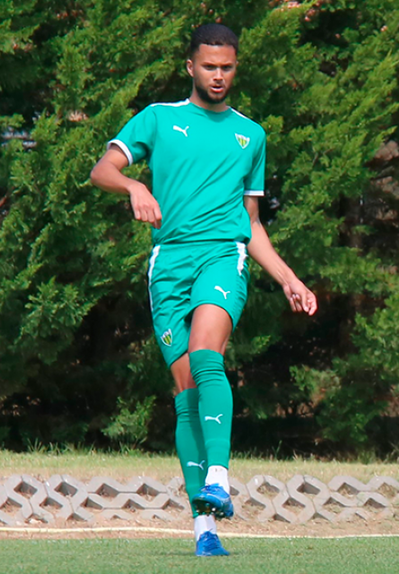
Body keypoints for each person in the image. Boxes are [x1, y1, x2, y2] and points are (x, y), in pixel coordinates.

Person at [89, 23, 317, 557]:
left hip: (223, 255)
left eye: (228, 67)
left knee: (205, 354)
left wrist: (288, 278)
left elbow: (252, 222)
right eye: (209, 66)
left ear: (236, 68)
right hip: (168, 265)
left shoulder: (250, 135)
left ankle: (219, 474)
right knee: (187, 393)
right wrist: (134, 185)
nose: (219, 75)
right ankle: (205, 528)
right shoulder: (159, 119)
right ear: (190, 66)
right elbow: (103, 169)